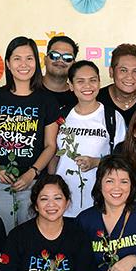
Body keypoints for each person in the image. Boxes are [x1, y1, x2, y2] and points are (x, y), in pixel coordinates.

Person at [0, 37, 61, 230]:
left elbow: (50, 145)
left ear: (36, 62)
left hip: (33, 184)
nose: (23, 64)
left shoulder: (47, 100)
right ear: (8, 63)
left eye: (29, 58)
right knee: (0, 234)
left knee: (30, 237)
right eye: (17, 58)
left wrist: (32, 173)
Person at [53, 60, 126, 216]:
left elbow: (122, 160)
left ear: (99, 83)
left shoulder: (112, 117)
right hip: (62, 205)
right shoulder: (61, 116)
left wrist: (96, 162)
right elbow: (52, 153)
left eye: (93, 80)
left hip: (99, 203)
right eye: (80, 81)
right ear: (71, 85)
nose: (87, 86)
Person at [41, 35, 80, 112]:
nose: (60, 60)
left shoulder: (79, 97)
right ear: (45, 60)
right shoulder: (27, 89)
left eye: (67, 58)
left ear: (74, 64)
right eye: (54, 55)